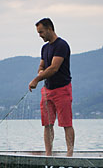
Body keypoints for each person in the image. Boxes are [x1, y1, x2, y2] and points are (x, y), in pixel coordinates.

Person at [28, 17, 74, 156]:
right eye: (38, 33)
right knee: (47, 124)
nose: (40, 35)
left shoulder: (61, 45)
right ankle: (48, 154)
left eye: (41, 32)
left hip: (62, 89)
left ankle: (70, 154)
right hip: (47, 90)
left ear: (49, 29)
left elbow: (54, 68)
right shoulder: (45, 48)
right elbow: (42, 66)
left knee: (66, 123)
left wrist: (37, 79)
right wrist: (40, 72)